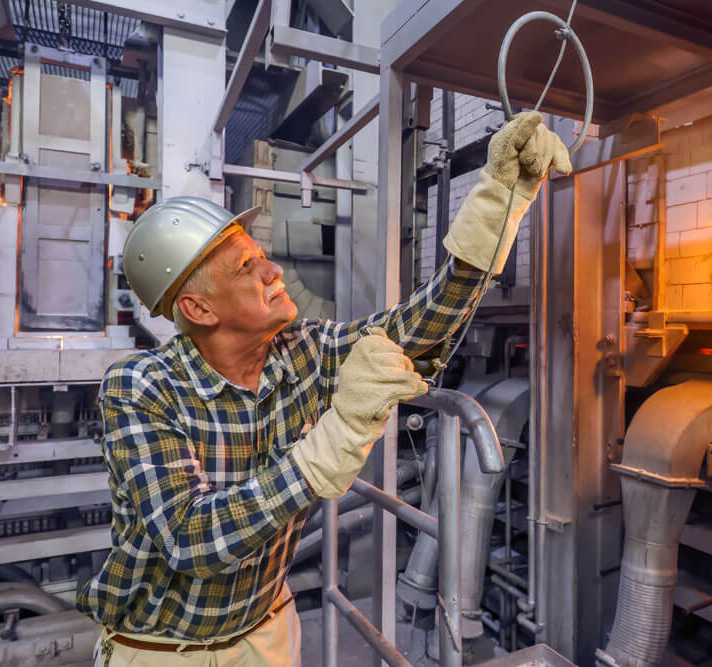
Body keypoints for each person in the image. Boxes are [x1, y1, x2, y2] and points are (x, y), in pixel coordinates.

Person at [78, 112, 570, 666]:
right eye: (247, 266)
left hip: (269, 634)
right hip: (164, 652)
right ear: (197, 307)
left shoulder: (301, 350)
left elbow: (415, 331)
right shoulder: (142, 388)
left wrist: (498, 203)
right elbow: (192, 539)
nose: (273, 271)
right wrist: (330, 446)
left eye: (261, 254)